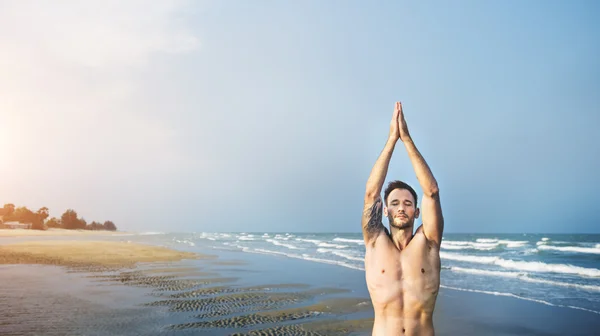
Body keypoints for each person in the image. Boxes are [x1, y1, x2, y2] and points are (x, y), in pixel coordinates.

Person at [362, 102, 444, 335]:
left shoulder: (428, 243)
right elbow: (371, 194)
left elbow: (432, 192)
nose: (401, 208)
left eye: (408, 204)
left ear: (417, 212)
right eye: (395, 204)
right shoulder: (374, 241)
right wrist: (391, 140)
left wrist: (406, 139)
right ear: (385, 211)